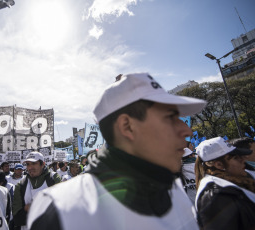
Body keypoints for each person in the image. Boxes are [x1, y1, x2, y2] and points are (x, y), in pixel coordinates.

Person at [27, 73, 206, 230]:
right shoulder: (60, 209)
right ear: (127, 126)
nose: (186, 131)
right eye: (170, 118)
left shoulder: (173, 189)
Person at [195, 136, 255, 229]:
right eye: (236, 158)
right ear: (219, 164)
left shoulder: (226, 185)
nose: (243, 160)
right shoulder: (216, 195)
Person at [13, 151, 61, 230]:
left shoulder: (53, 179)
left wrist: (31, 208)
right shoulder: (21, 185)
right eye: (28, 164)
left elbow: (61, 209)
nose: (30, 167)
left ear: (43, 164)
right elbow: (18, 219)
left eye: (34, 163)